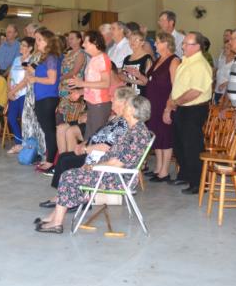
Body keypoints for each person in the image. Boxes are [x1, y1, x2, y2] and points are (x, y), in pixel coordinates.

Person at [35, 95, 153, 234]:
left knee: (68, 176)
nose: (124, 108)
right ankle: (54, 218)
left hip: (115, 177)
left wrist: (93, 166)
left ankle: (56, 222)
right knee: (72, 174)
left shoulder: (136, 134)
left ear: (133, 111)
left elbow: (116, 163)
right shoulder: (135, 130)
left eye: (127, 106)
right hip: (110, 172)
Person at [41, 86, 137, 207]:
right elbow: (99, 135)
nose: (111, 99)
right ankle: (63, 196)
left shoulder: (123, 124)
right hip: (94, 151)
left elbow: (108, 147)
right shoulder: (115, 119)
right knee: (64, 157)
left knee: (66, 160)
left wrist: (86, 149)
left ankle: (67, 199)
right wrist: (84, 143)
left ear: (123, 103)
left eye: (114, 98)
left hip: (100, 159)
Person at [169, 31, 213, 194]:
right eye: (183, 43)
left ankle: (198, 182)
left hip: (194, 109)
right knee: (179, 144)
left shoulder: (200, 64)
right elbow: (179, 86)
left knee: (192, 146)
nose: (183, 46)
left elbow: (196, 91)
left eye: (187, 44)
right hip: (182, 107)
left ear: (197, 46)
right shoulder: (186, 61)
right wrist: (173, 103)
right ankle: (186, 175)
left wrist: (176, 102)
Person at [140, 32, 180, 182]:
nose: (155, 44)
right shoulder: (158, 60)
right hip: (153, 104)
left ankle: (164, 171)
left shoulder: (174, 60)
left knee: (165, 136)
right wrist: (138, 76)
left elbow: (176, 86)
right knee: (156, 135)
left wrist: (169, 107)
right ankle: (158, 167)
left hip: (164, 103)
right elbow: (149, 81)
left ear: (165, 43)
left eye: (157, 42)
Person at [69, 30, 111, 144]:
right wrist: (80, 92)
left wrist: (82, 84)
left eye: (86, 42)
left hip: (100, 105)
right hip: (93, 104)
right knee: (90, 137)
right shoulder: (94, 59)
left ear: (95, 43)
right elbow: (93, 85)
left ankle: (94, 162)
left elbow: (105, 83)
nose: (83, 45)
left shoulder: (103, 58)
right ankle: (88, 161)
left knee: (95, 139)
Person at [29, 28, 61, 168]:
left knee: (49, 131)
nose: (37, 43)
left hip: (48, 97)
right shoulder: (44, 57)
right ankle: (49, 158)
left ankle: (50, 161)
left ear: (48, 41)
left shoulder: (51, 58)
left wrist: (34, 78)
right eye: (36, 40)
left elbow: (52, 80)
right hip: (42, 97)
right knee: (47, 130)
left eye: (39, 40)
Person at [6, 37, 34, 154]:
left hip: (24, 94)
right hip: (14, 94)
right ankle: (18, 143)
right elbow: (10, 76)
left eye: (23, 45)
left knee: (25, 120)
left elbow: (26, 80)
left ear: (30, 48)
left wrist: (14, 91)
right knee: (11, 118)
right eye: (21, 45)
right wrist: (9, 90)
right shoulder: (17, 59)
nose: (21, 47)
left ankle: (26, 145)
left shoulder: (32, 60)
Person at [56, 31, 86, 126]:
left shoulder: (81, 53)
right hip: (63, 85)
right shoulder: (68, 52)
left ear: (79, 40)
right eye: (69, 38)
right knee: (61, 112)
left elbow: (75, 71)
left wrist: (61, 78)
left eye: (72, 38)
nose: (70, 40)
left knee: (70, 114)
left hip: (72, 85)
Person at [121, 31, 153, 96]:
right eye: (130, 39)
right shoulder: (127, 58)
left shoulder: (147, 58)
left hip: (141, 95)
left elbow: (148, 82)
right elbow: (121, 75)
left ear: (142, 42)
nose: (132, 42)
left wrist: (130, 80)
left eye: (136, 39)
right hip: (128, 95)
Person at [214, 32, 235, 104]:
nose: (225, 50)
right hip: (217, 90)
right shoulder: (222, 59)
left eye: (227, 48)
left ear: (233, 49)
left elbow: (235, 78)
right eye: (224, 48)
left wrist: (224, 84)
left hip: (227, 93)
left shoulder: (235, 62)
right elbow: (217, 72)